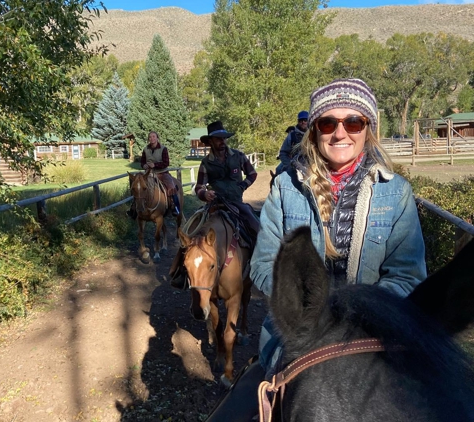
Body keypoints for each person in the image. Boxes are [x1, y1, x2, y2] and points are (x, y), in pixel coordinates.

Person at [207, 78, 427, 421]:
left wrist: (357, 313)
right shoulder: (285, 188)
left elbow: (407, 275)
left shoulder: (395, 193)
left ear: (367, 128)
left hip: (372, 335)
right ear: (314, 130)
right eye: (328, 122)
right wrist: (305, 307)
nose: (340, 133)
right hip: (295, 335)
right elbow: (263, 264)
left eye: (353, 122)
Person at [168, 121, 260, 289]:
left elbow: (252, 173)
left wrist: (242, 185)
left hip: (236, 203)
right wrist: (205, 194)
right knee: (189, 233)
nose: (222, 142)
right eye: (218, 139)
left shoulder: (238, 156)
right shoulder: (206, 163)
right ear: (210, 141)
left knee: (256, 226)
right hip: (214, 205)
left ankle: (260, 264)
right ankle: (179, 272)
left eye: (223, 138)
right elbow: (199, 187)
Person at [127, 131, 180, 219]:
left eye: (153, 136)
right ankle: (134, 208)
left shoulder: (163, 149)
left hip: (162, 173)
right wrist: (143, 165)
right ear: (148, 139)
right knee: (137, 187)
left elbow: (166, 162)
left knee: (171, 186)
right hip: (148, 174)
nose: (152, 138)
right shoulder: (145, 149)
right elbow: (143, 161)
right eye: (150, 137)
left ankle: (174, 206)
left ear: (157, 138)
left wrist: (155, 165)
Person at [275, 110, 309, 175]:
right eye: (300, 120)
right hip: (295, 165)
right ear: (298, 121)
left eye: (305, 120)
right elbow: (283, 153)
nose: (303, 122)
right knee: (278, 170)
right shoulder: (292, 135)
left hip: (312, 166)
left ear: (309, 120)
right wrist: (289, 165)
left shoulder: (315, 134)